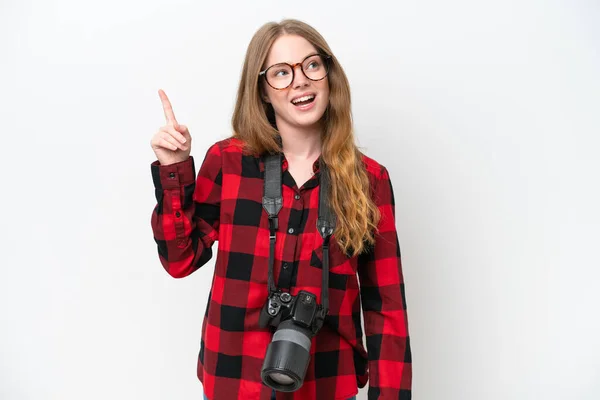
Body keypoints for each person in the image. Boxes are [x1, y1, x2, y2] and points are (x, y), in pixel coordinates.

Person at [149, 19, 412, 400]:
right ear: (262, 92)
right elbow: (180, 260)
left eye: (311, 66)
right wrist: (174, 169)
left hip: (326, 386)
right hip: (233, 382)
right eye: (281, 73)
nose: (300, 81)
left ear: (329, 76)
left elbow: (386, 309)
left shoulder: (370, 180)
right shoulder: (228, 162)